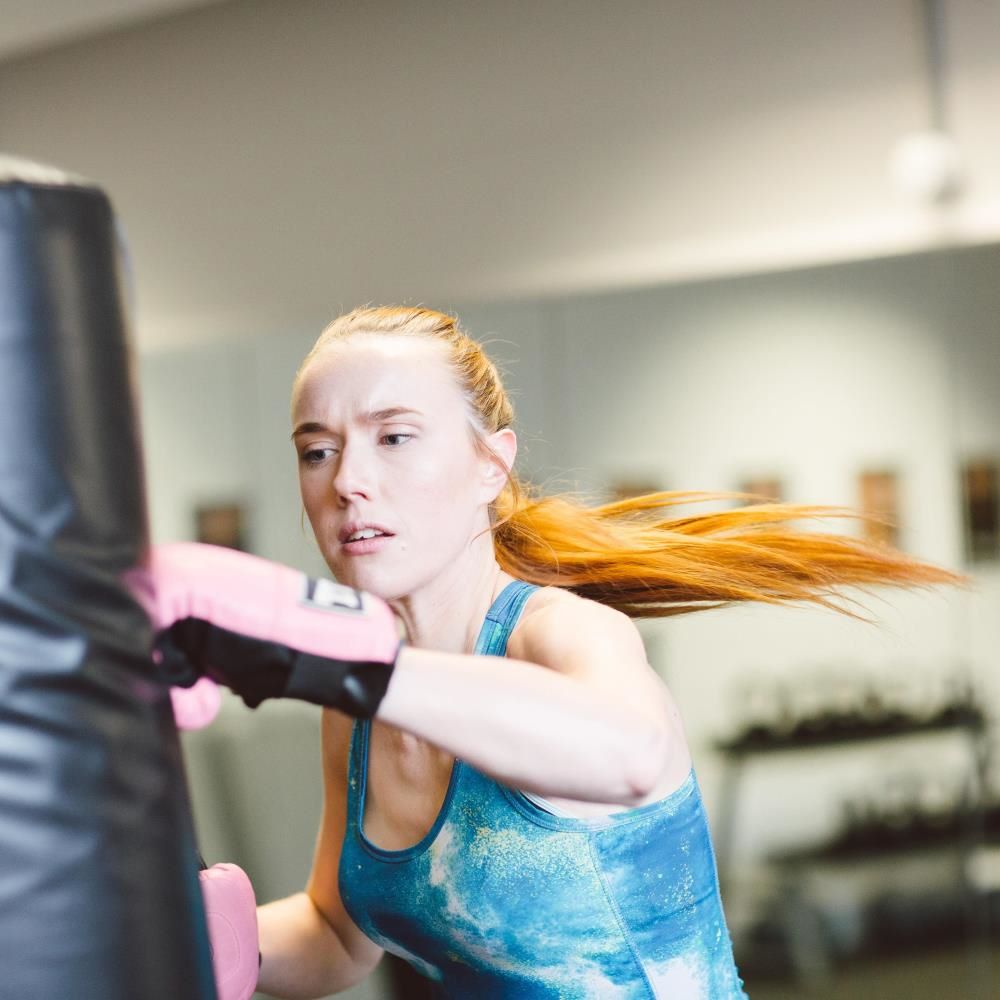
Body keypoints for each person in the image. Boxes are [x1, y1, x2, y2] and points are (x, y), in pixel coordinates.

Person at [176, 306, 964, 999]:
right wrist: (201, 942)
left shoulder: (560, 634)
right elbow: (337, 933)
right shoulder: (355, 714)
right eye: (317, 451)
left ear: (492, 464)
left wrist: (339, 663)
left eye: (394, 437)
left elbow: (630, 751)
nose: (349, 480)